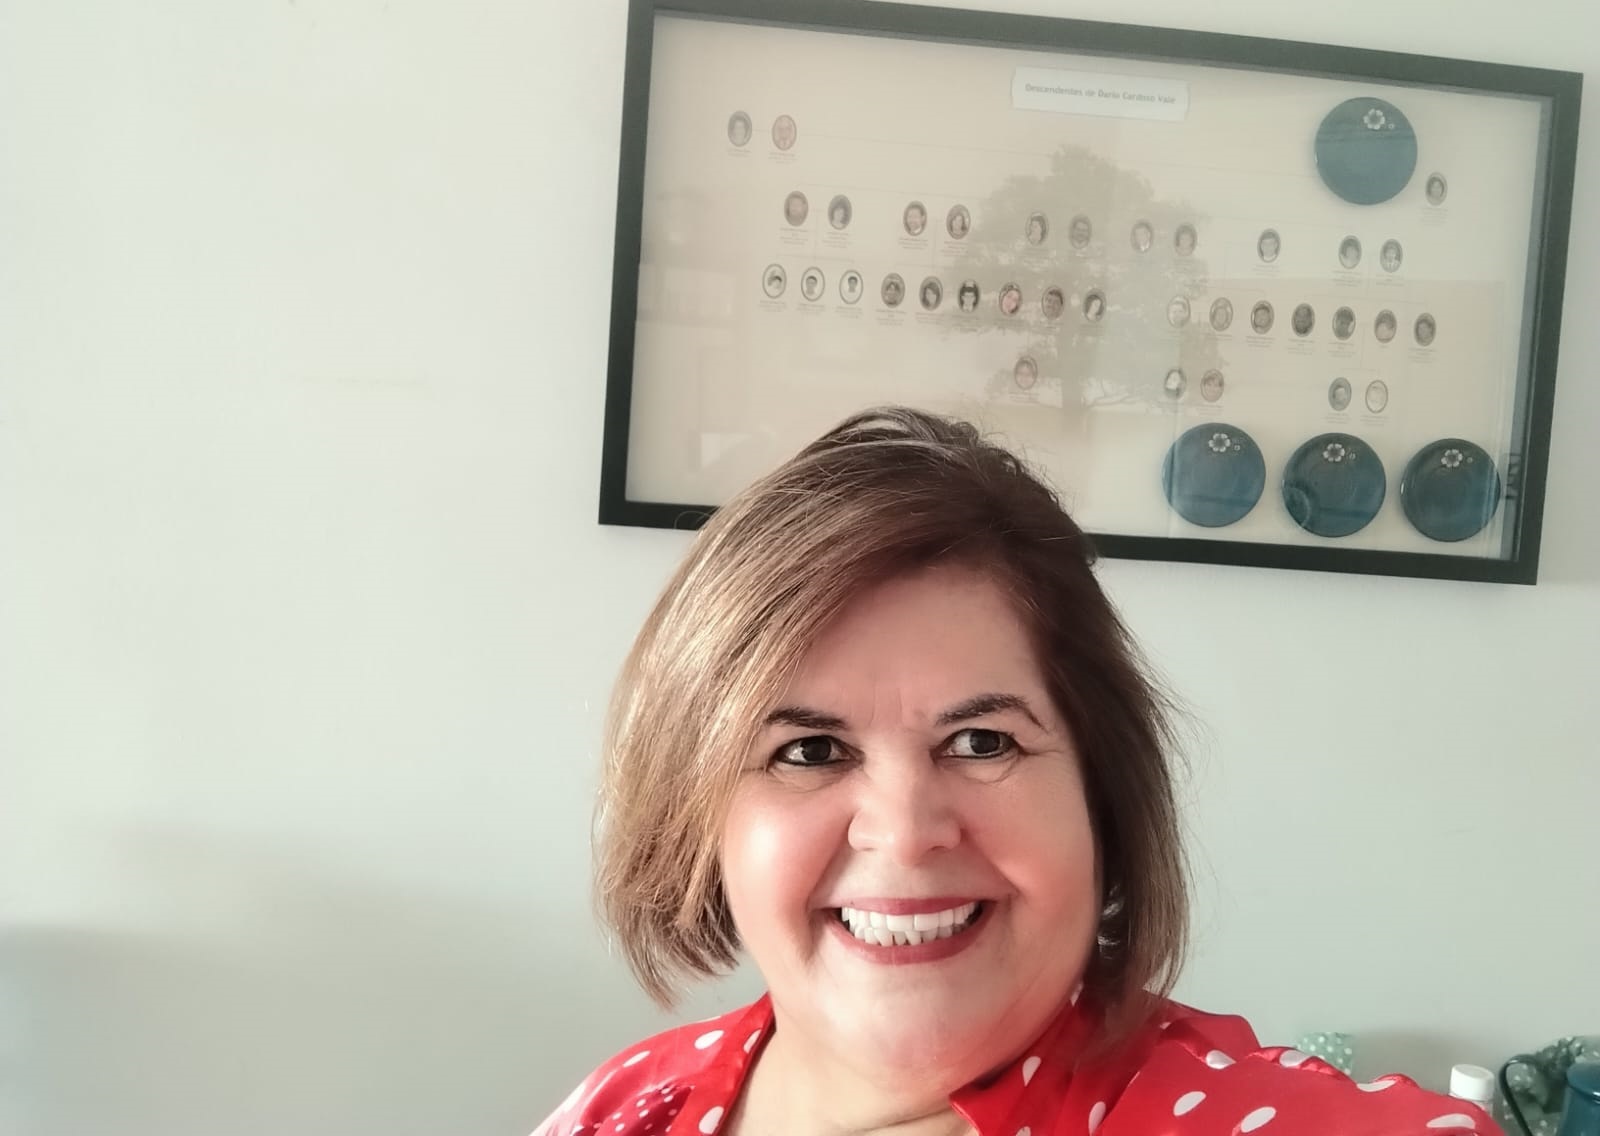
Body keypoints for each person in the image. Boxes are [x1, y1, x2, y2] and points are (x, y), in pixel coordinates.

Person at [538, 407, 1491, 1136]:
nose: (905, 831)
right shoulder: (624, 1106)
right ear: (695, 816)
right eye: (810, 752)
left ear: (1099, 793)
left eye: (983, 742)